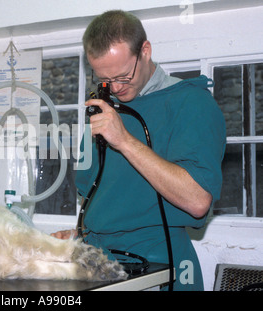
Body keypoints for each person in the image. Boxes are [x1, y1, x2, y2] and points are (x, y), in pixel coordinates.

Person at [51, 10, 226, 291]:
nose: (116, 88)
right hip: (99, 261)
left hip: (158, 263)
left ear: (145, 51)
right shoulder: (103, 109)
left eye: (123, 76)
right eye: (105, 80)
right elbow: (98, 194)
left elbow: (197, 200)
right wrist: (81, 235)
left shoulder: (191, 103)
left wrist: (125, 141)